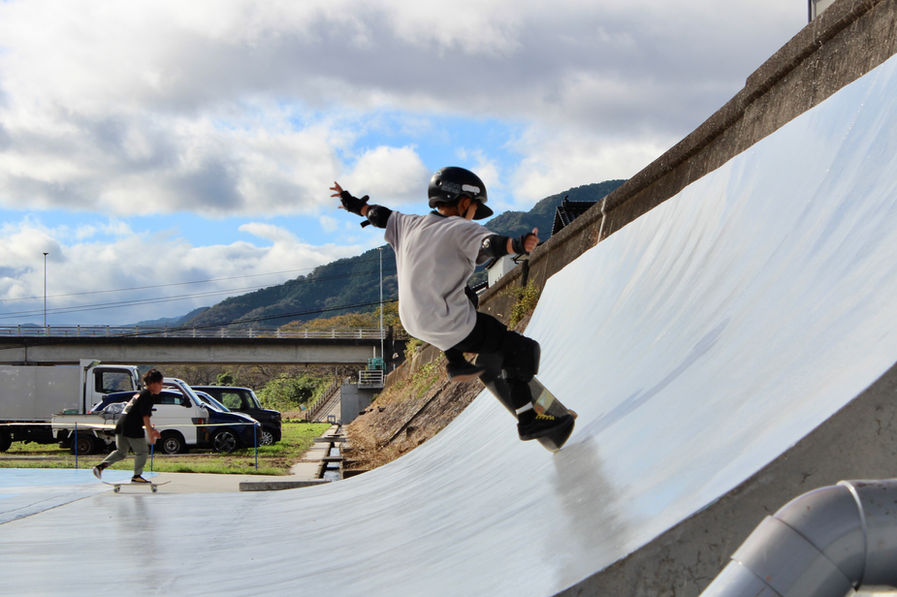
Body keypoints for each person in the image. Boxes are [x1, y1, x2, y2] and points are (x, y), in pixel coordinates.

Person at [331, 166, 574, 441]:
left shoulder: (407, 223)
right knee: (521, 349)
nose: (474, 215)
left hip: (413, 321)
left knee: (464, 296)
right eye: (475, 208)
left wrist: (351, 203)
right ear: (464, 201)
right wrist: (516, 245)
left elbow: (376, 214)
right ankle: (529, 419)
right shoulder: (462, 227)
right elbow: (489, 245)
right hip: (452, 321)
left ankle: (456, 362)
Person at [92, 368, 163, 483]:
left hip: (121, 424)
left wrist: (152, 430)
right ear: (152, 383)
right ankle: (137, 476)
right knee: (142, 452)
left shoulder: (140, 394)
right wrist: (150, 434)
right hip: (132, 427)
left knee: (121, 452)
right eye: (160, 383)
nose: (161, 386)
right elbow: (145, 417)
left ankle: (99, 467)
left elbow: (137, 414)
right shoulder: (147, 396)